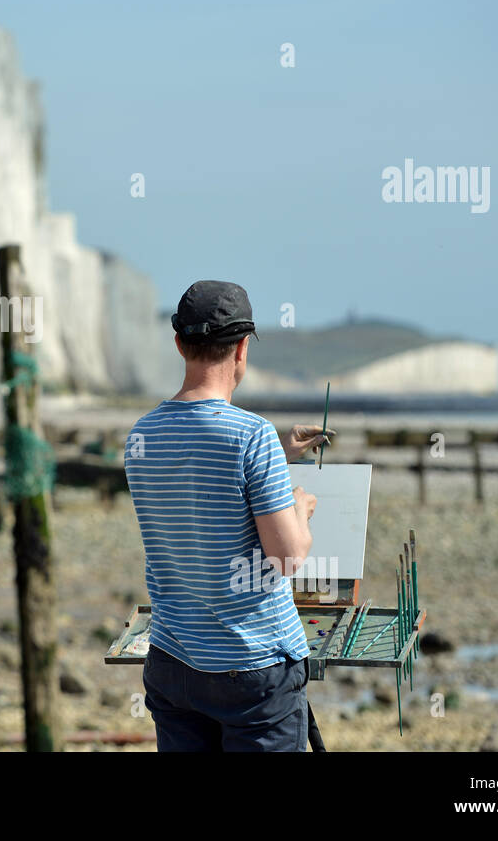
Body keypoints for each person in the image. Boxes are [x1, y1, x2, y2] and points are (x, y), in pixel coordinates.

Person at [125, 280, 330, 751]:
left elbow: (197, 495)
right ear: (242, 349)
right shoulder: (250, 435)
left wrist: (276, 459)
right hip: (252, 667)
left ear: (178, 343)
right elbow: (288, 557)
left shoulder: (141, 435)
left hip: (174, 662)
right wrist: (298, 508)